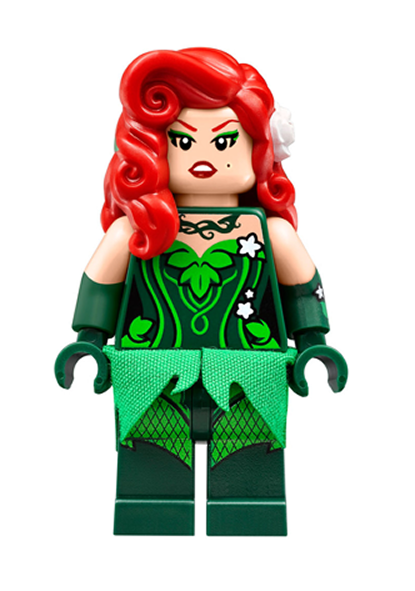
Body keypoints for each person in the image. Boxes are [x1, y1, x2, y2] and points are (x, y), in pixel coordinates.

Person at [55, 48, 347, 536]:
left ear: (259, 149)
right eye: (182, 142)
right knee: (151, 479)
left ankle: (250, 526)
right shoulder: (137, 231)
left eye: (225, 140)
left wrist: (314, 343)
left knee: (249, 479)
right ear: (150, 149)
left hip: (249, 374)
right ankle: (150, 528)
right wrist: (88, 339)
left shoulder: (269, 232)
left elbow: (303, 289)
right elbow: (100, 284)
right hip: (151, 373)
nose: (204, 156)